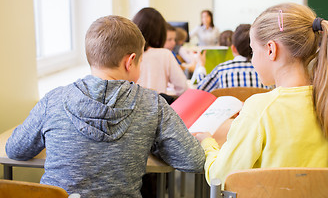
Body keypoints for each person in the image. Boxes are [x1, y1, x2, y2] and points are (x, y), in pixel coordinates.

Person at [6, 15, 205, 197]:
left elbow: (15, 149)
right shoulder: (152, 105)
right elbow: (194, 160)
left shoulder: (54, 100)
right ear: (130, 61)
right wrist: (154, 142)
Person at [195, 3, 328, 186]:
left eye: (253, 51)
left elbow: (219, 176)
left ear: (271, 49)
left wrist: (207, 142)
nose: (253, 60)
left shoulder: (259, 108)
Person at [195, 24, 267, 92]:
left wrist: (201, 65)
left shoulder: (221, 70)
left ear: (233, 48)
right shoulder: (264, 71)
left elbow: (200, 88)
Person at [133, 7, 188, 96]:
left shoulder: (128, 55)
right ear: (161, 32)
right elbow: (183, 88)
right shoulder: (165, 54)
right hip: (157, 107)